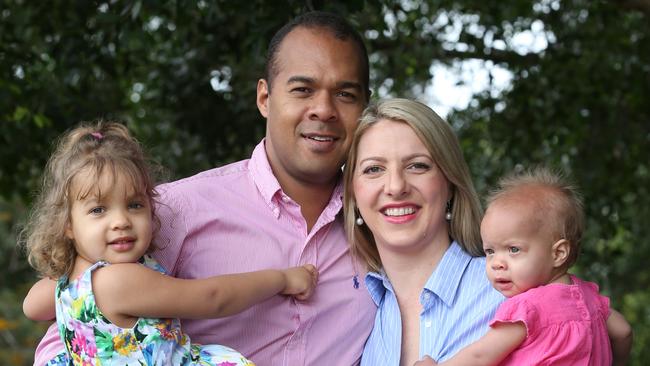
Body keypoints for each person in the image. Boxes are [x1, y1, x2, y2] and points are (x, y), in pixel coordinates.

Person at [31, 11, 376, 366]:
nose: (323, 109)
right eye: (302, 90)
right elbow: (71, 341)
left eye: (345, 94)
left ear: (365, 105)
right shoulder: (165, 212)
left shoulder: (382, 228)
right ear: (265, 98)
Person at [21, 122, 318, 365]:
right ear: (68, 225)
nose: (121, 221)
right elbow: (213, 298)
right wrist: (282, 279)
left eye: (135, 205)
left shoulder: (67, 283)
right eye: (99, 210)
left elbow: (31, 308)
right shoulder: (119, 279)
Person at [414, 167, 634, 366]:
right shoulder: (591, 298)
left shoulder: (527, 308)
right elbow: (623, 332)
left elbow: (480, 356)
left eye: (514, 250)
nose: (497, 263)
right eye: (490, 251)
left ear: (558, 253)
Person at [342, 98, 505, 366]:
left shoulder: (506, 289)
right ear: (353, 196)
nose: (395, 187)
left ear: (450, 183)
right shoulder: (357, 321)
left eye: (417, 165)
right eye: (374, 169)